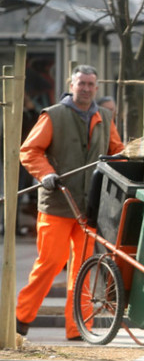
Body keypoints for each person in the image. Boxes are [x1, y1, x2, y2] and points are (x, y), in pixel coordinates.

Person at [16, 65, 124, 340]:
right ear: (71, 84)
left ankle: (77, 328)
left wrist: (131, 159)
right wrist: (46, 173)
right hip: (58, 203)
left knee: (82, 269)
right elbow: (30, 150)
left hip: (90, 208)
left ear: (96, 88)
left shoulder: (105, 116)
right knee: (50, 263)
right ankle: (21, 316)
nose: (86, 88)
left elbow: (118, 154)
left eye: (91, 84)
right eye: (81, 83)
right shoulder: (53, 115)